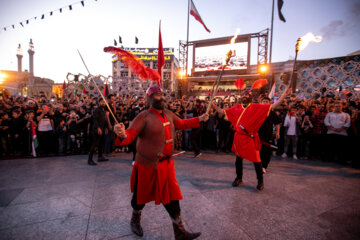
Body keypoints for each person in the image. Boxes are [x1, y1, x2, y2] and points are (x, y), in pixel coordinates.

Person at [114, 86, 208, 240]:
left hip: (167, 166)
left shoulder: (169, 114)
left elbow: (182, 124)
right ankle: (135, 219)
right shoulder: (143, 116)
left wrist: (199, 119)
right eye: (157, 95)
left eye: (162, 95)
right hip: (146, 167)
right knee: (139, 199)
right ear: (149, 99)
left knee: (172, 198)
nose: (161, 97)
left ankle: (180, 232)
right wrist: (122, 134)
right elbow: (130, 134)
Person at [212, 86, 290, 190]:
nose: (244, 96)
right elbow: (222, 112)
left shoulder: (256, 107)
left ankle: (260, 181)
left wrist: (284, 95)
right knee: (238, 160)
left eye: (247, 94)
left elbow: (273, 106)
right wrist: (212, 104)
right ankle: (239, 178)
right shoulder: (236, 108)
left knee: (257, 160)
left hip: (250, 138)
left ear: (250, 96)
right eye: (243, 94)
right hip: (239, 138)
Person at [258, 97, 281, 173]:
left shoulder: (272, 113)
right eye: (263, 101)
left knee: (267, 152)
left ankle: (264, 166)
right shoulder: (258, 111)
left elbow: (277, 123)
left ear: (269, 103)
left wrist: (277, 132)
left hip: (268, 135)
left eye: (266, 101)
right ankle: (260, 166)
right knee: (260, 151)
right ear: (261, 102)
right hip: (258, 135)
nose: (265, 103)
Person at [88, 98, 108, 166]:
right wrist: (98, 128)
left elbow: (104, 120)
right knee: (94, 144)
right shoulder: (97, 110)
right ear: (99, 102)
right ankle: (90, 160)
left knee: (101, 144)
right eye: (102, 102)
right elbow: (95, 119)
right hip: (96, 130)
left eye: (104, 102)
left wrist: (105, 128)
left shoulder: (104, 110)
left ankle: (100, 157)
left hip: (102, 129)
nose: (103, 103)